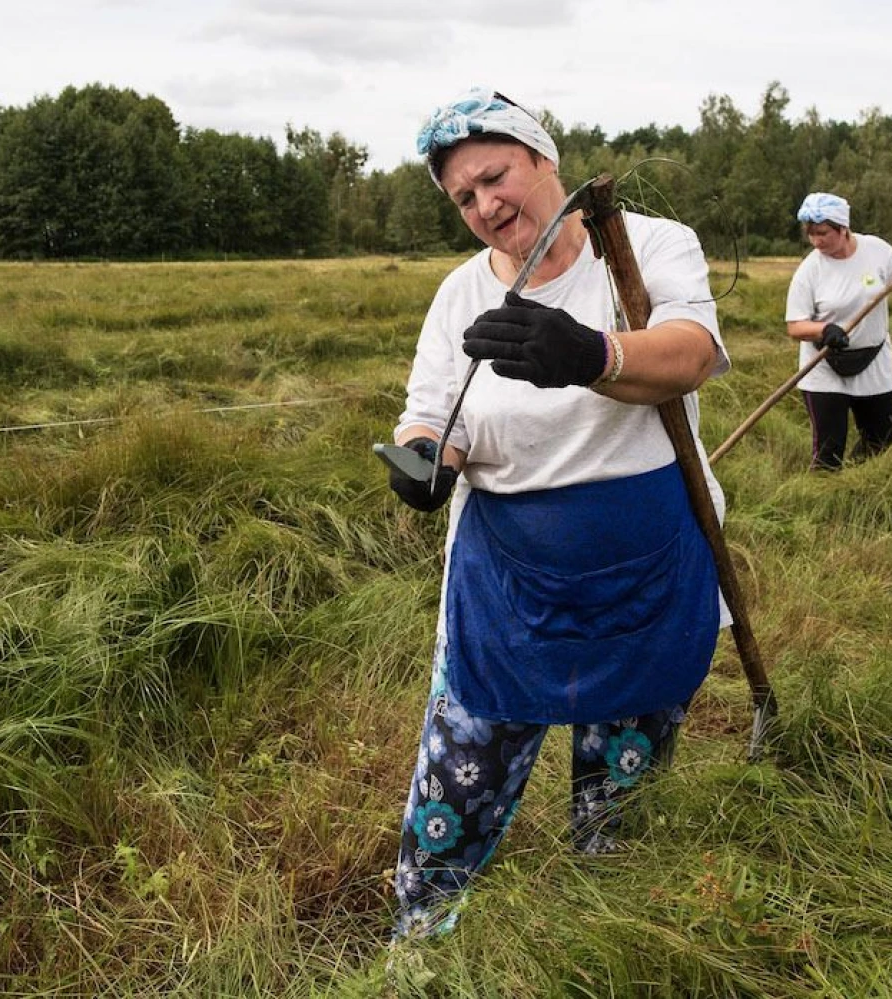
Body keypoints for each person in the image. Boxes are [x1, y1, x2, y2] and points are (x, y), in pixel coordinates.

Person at [384, 86, 733, 940]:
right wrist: (425, 460)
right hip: (509, 587)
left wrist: (590, 353)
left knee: (624, 783)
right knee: (458, 781)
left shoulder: (643, 247)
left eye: (494, 175)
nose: (484, 204)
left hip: (645, 573)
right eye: (462, 197)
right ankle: (422, 943)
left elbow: (689, 354)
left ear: (545, 159)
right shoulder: (459, 296)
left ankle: (608, 934)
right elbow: (435, 414)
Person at [783, 192, 892, 470]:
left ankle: (858, 484)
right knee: (828, 450)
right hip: (824, 366)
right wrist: (824, 330)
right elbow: (795, 326)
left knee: (880, 439)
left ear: (842, 228)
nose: (816, 241)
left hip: (874, 361)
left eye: (823, 233)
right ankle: (824, 497)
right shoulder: (809, 270)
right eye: (811, 234)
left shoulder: (877, 250)